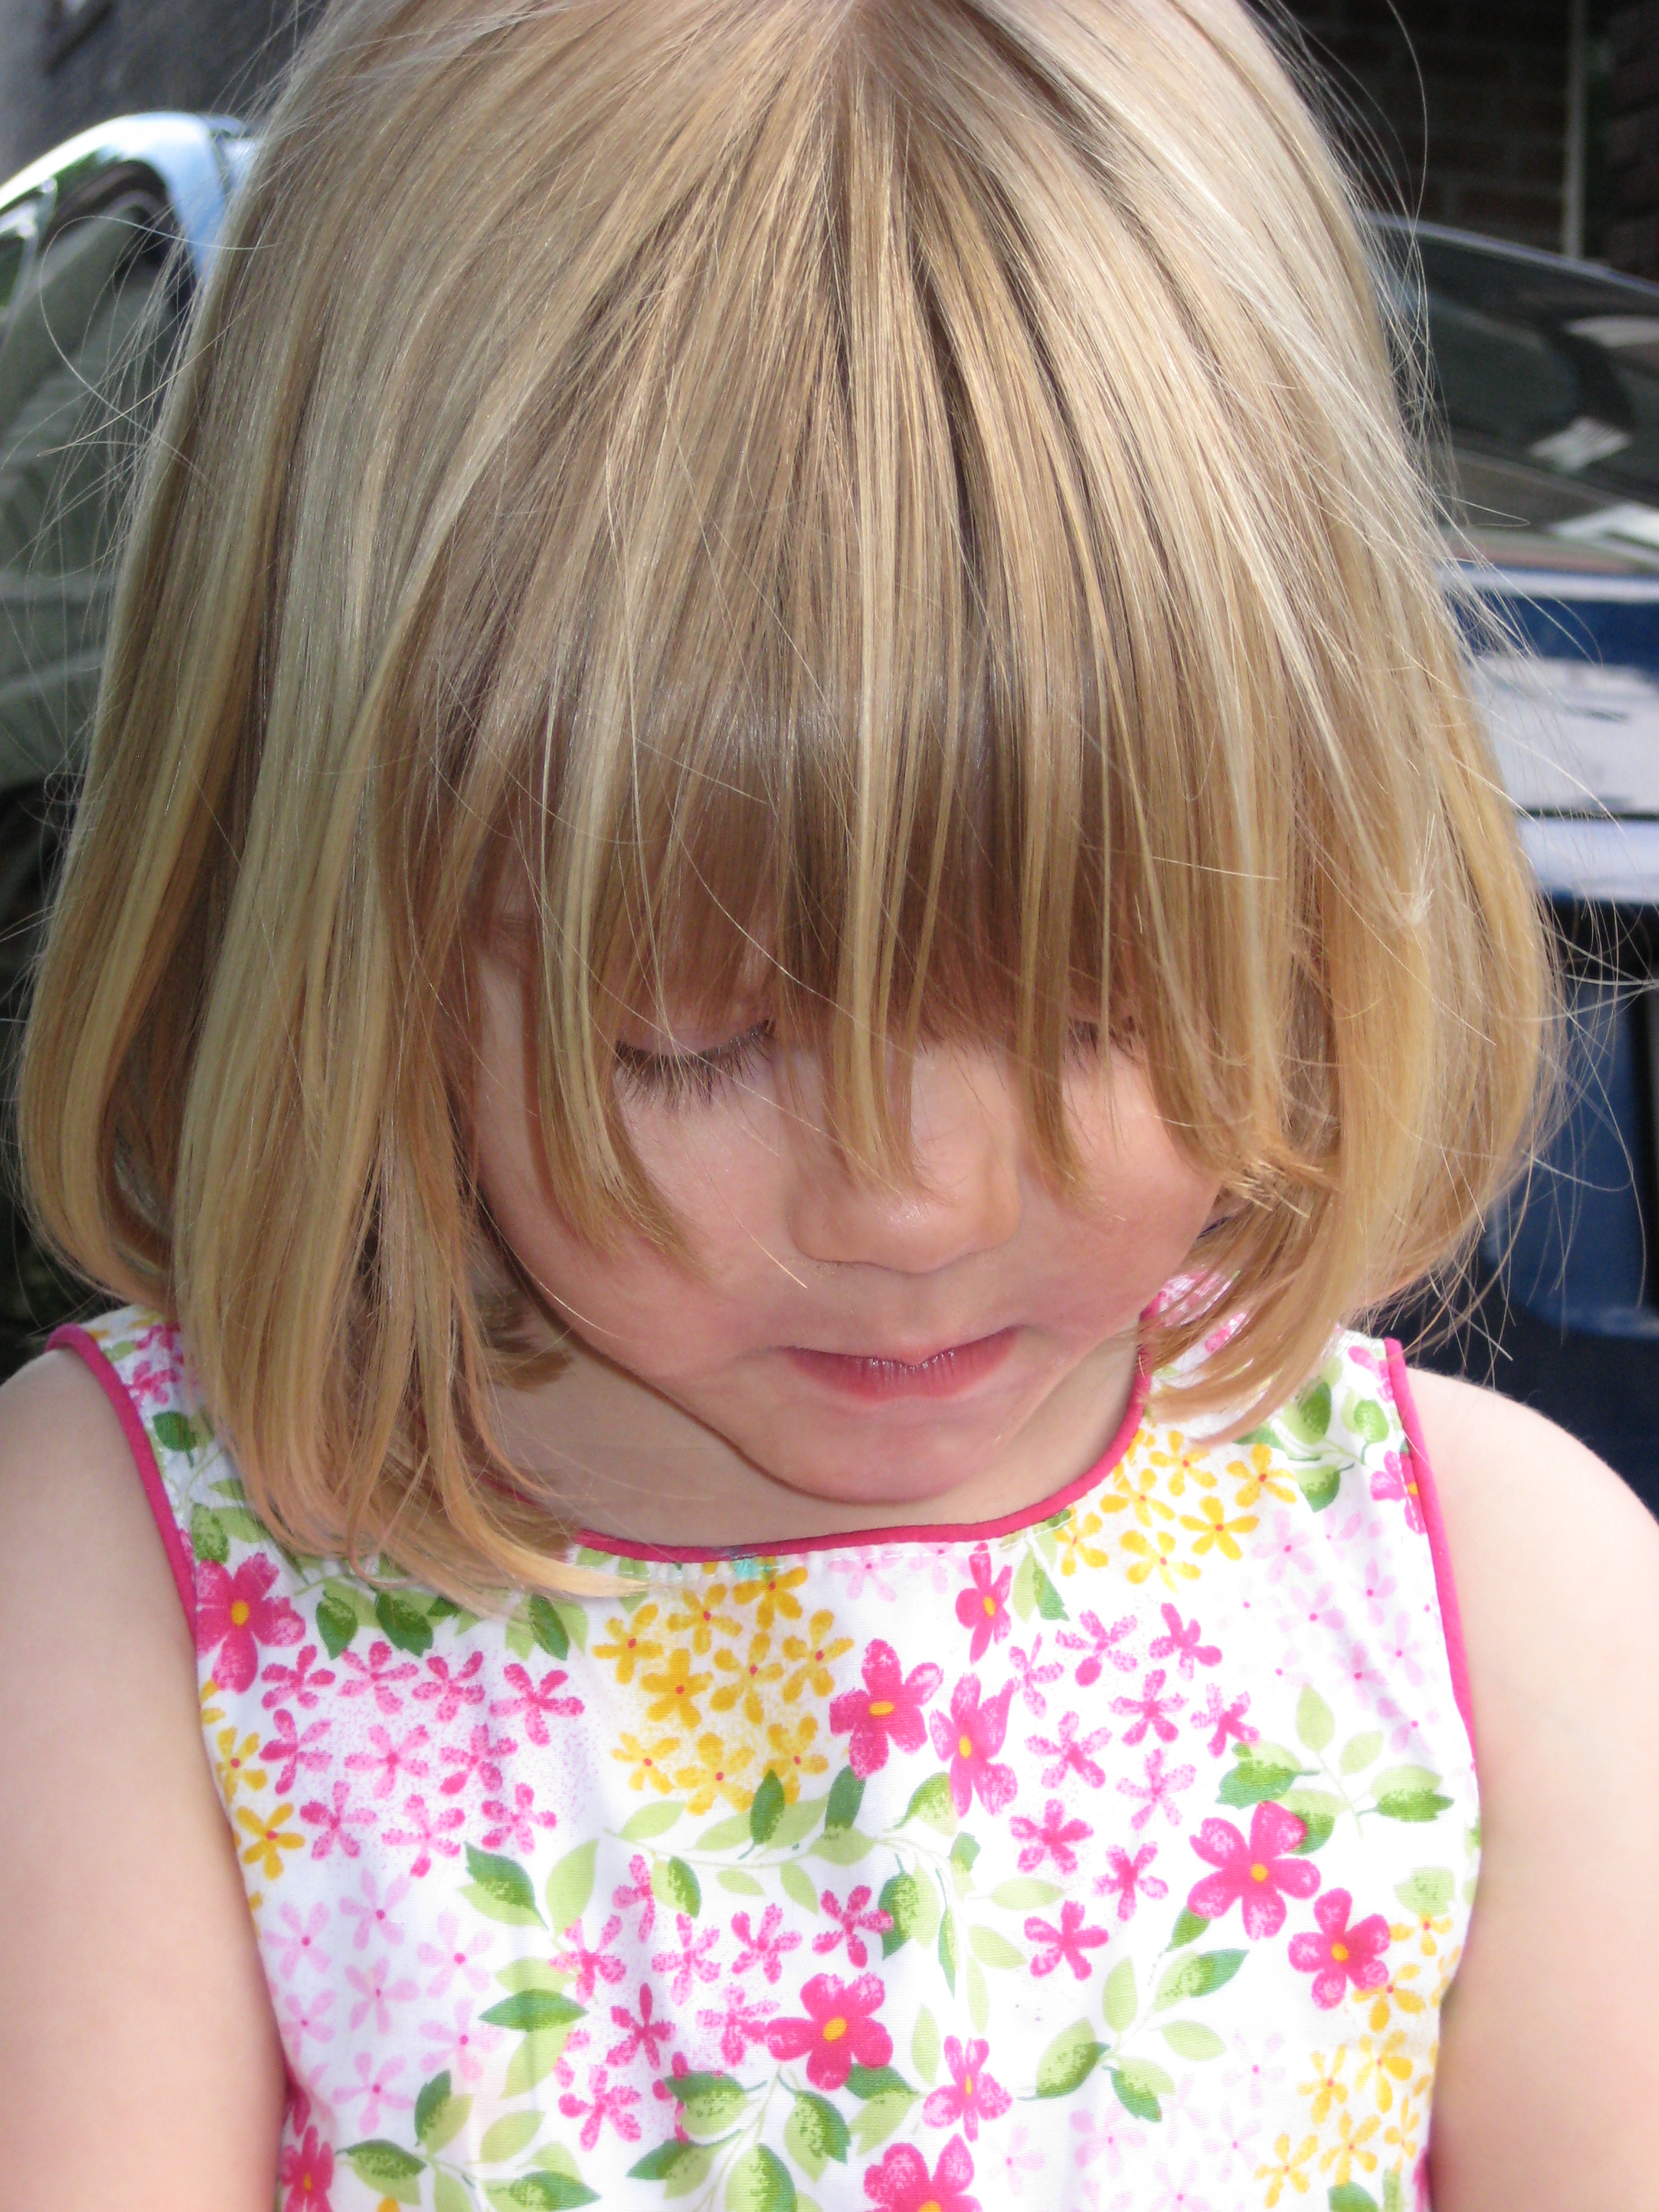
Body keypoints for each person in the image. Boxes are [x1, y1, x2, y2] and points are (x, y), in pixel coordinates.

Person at [2, 0, 1655, 2204]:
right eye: (689, 1038)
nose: (910, 1203)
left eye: (1099, 1005)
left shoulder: (1503, 1617)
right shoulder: (120, 1596)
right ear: (341, 922)